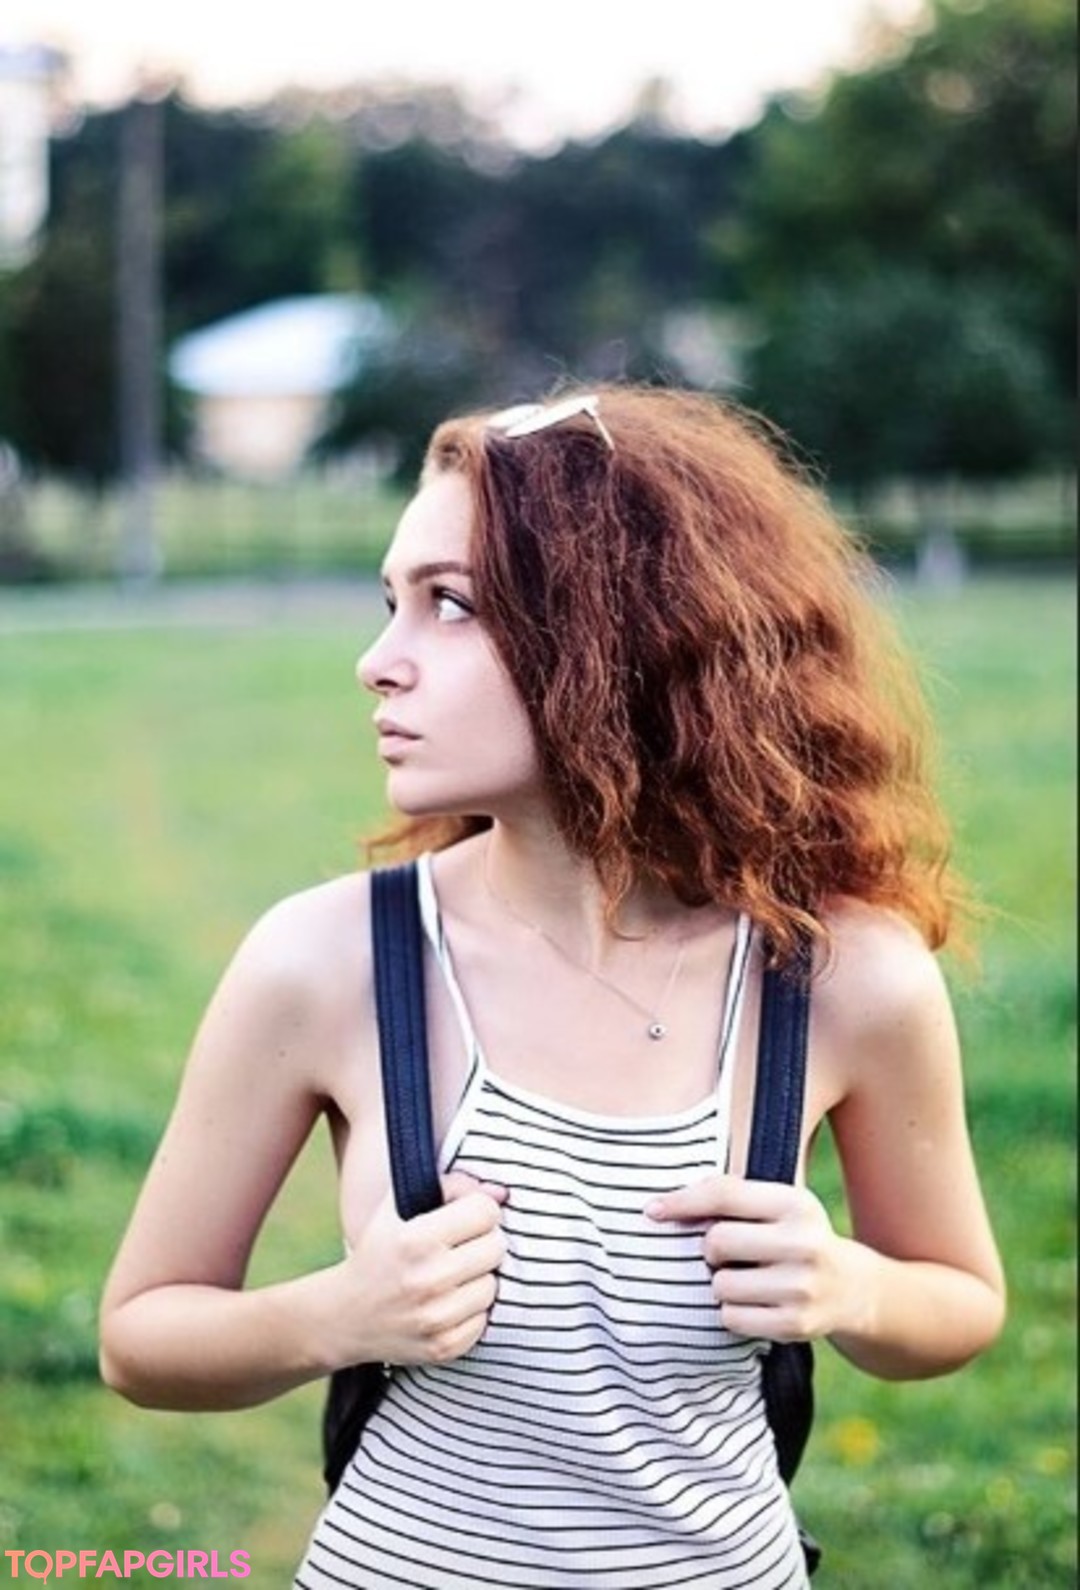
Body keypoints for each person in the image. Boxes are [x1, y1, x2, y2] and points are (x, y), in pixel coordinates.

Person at [99, 385, 1006, 1589]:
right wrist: (338, 1315)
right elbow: (141, 1336)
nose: (378, 663)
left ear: (628, 631)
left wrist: (851, 1287)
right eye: (389, 604)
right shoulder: (328, 960)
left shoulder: (842, 976)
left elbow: (959, 1303)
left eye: (450, 605)